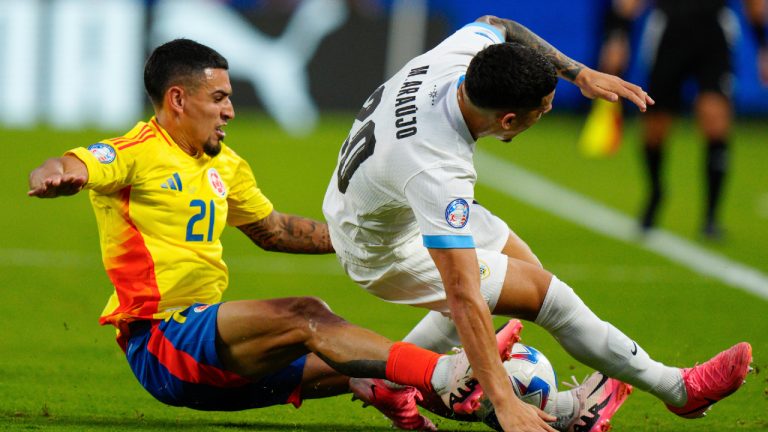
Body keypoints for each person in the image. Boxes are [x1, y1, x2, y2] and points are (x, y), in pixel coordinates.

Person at [25, 38, 525, 431]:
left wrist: (365, 238)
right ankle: (452, 375)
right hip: (163, 340)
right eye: (219, 97)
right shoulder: (136, 151)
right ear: (178, 99)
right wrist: (54, 174)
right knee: (306, 314)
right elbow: (76, 161)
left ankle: (557, 410)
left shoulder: (227, 165)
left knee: (357, 357)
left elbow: (274, 230)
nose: (229, 111)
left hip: (211, 361)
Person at [322, 14, 753, 432]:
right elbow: (463, 294)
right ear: (508, 120)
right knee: (547, 298)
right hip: (382, 249)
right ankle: (679, 389)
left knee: (528, 270)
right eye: (542, 110)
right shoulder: (437, 168)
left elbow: (500, 25)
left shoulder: (458, 62)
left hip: (384, 202)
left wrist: (580, 74)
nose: (544, 113)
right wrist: (507, 404)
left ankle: (389, 382)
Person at [599, 0, 768, 238]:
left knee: (715, 121)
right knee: (655, 127)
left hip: (713, 32)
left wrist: (762, 46)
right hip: (669, 29)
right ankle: (656, 191)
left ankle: (711, 216)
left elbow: (755, 4)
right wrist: (617, 37)